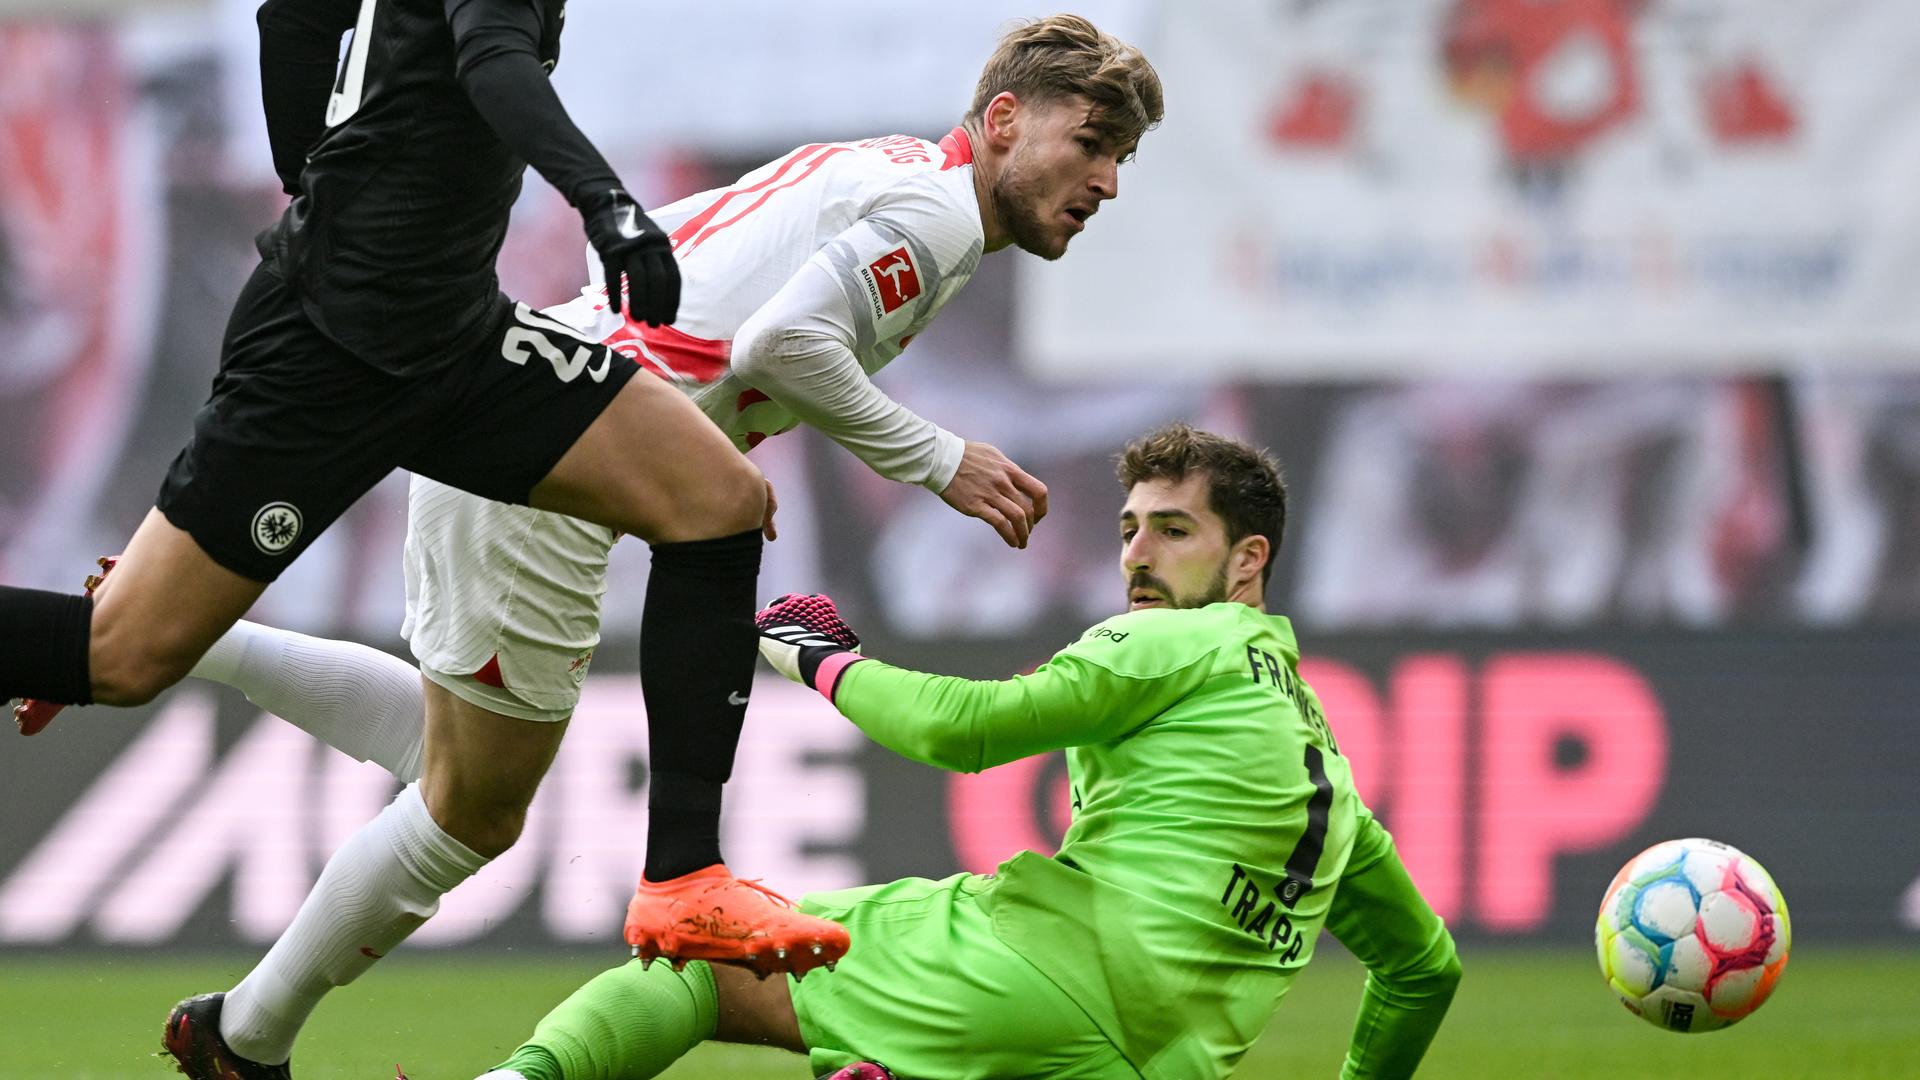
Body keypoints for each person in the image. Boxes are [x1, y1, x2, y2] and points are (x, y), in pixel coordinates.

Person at [10, 15, 1164, 1078]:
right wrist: (936, 458)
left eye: (1122, 158)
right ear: (1004, 118)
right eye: (1091, 141)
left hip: (538, 386)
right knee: (469, 805)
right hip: (548, 453)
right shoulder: (937, 210)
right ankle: (263, 1022)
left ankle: (241, 997)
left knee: (454, 766)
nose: (1107, 180)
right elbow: (786, 341)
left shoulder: (888, 174)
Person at [474, 424, 1462, 1080]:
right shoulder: (1328, 768)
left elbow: (968, 730)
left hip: (1033, 976)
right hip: (1159, 1064)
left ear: (1250, 560)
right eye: (1128, 530)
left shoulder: (1176, 641)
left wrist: (825, 663)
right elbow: (1424, 970)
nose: (1137, 556)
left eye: (1174, 530)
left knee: (703, 954)